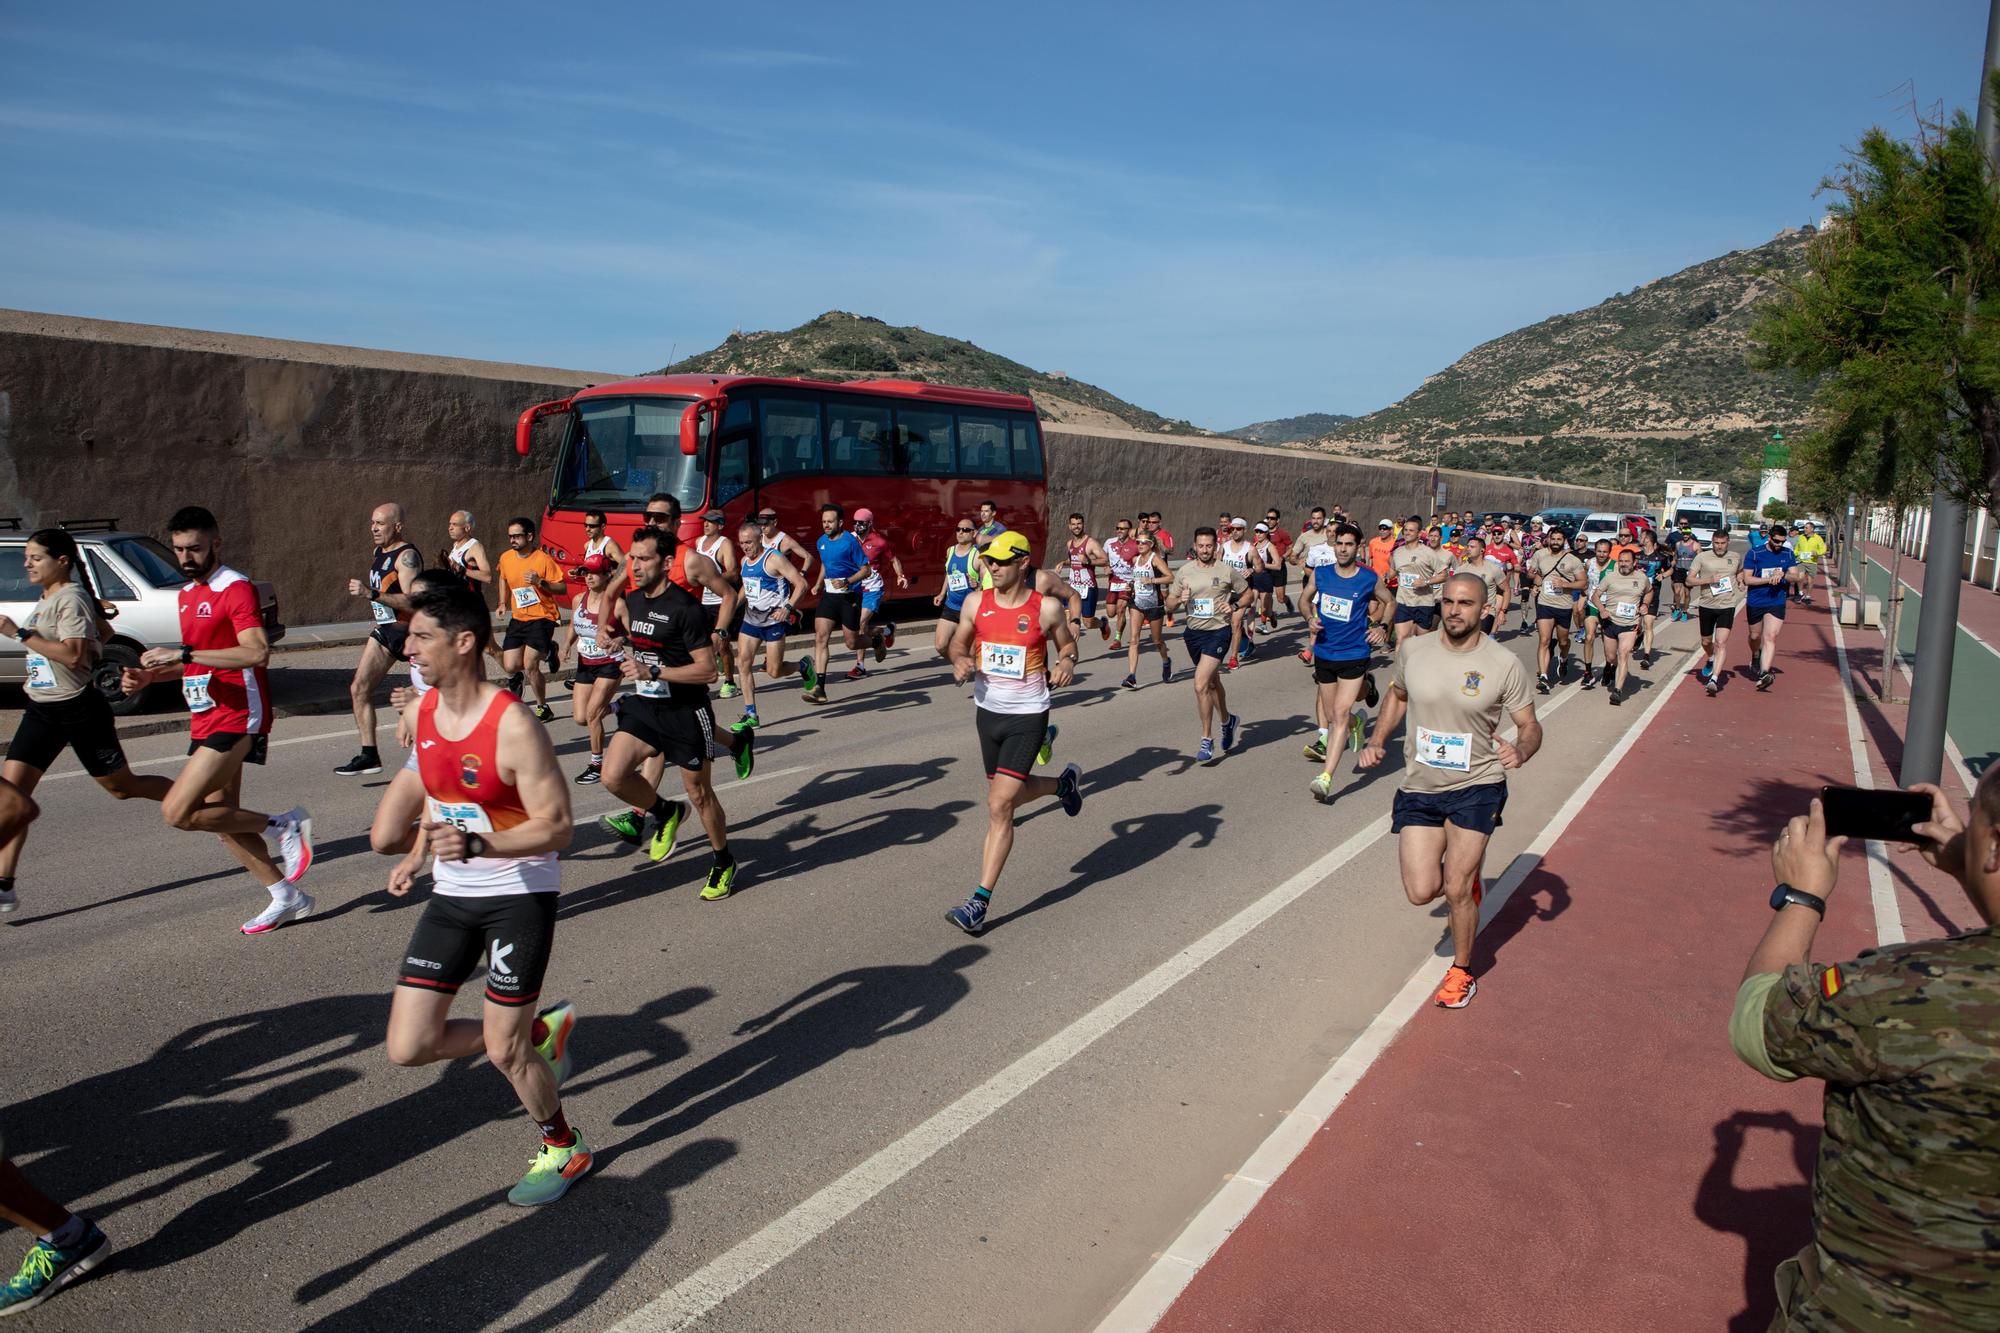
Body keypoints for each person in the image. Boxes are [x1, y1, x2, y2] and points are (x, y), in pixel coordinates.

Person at [1729, 779, 2000, 1329]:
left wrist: (1801, 897)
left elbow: (1757, 1023)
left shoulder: (1913, 987)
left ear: (1993, 844)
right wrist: (1969, 866)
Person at [369, 582, 590, 1207]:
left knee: (503, 1050)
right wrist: (416, 852)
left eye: (420, 637)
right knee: (408, 1046)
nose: (406, 647)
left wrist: (476, 848)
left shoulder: (512, 725)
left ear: (464, 642)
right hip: (452, 894)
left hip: (519, 893)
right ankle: (538, 1037)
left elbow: (559, 827)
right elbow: (442, 798)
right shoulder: (420, 713)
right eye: (407, 636)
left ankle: (563, 1145)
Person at [119, 506, 313, 933]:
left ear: (216, 544)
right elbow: (196, 664)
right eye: (179, 550)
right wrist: (149, 675)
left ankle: (283, 824)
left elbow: (256, 651)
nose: (187, 557)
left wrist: (184, 654)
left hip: (239, 714)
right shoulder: (187, 594)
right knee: (221, 820)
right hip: (206, 715)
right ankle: (286, 896)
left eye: (195, 548)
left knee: (178, 812)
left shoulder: (236, 588)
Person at [1357, 573, 1541, 1009]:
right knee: (1422, 891)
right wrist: (1378, 739)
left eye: (1466, 603)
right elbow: (1398, 696)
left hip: (1477, 783)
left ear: (1484, 609)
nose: (1455, 611)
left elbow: (1530, 725)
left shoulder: (1502, 663)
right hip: (1420, 785)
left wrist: (1522, 751)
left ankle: (1462, 971)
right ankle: (1465, 887)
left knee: (1457, 886)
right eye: (1449, 602)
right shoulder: (1414, 650)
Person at [0, 529, 173, 914]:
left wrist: (21, 633)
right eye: (27, 557)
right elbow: (103, 635)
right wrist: (95, 627)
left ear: (61, 561)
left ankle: (195, 799)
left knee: (123, 787)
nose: (27, 563)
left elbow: (74, 656)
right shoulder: (52, 597)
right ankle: (4, 883)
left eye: (35, 557)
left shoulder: (70, 598)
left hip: (78, 708)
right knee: (13, 798)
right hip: (42, 707)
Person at [596, 526, 752, 899]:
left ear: (667, 563)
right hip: (648, 706)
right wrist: (622, 641)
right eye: (632, 558)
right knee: (612, 776)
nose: (634, 566)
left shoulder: (686, 609)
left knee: (698, 793)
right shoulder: (633, 601)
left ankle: (723, 860)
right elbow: (647, 642)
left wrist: (655, 671)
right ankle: (665, 811)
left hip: (686, 710)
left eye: (644, 559)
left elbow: (708, 671)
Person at [943, 530, 1082, 935]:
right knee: (1011, 794)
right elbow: (957, 645)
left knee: (999, 804)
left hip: (1028, 713)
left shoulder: (1046, 609)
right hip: (988, 713)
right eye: (989, 561)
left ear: (1023, 563)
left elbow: (1067, 645)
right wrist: (960, 661)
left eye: (1001, 561)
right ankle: (1063, 786)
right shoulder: (975, 603)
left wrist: (1067, 663)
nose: (993, 567)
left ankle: (978, 902)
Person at [1304, 524, 1393, 800]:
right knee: (1333, 715)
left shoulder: (1368, 577)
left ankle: (1326, 776)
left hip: (1354, 652)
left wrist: (1381, 626)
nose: (1343, 548)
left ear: (1358, 547)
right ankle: (1356, 723)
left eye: (1349, 544)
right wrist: (1309, 618)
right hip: (1325, 653)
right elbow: (1305, 601)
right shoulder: (1322, 574)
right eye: (1339, 543)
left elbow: (1389, 601)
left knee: (1339, 714)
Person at [337, 503, 423, 776]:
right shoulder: (378, 552)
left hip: (412, 633)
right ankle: (369, 754)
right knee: (359, 688)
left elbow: (412, 601)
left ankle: (434, 754)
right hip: (386, 630)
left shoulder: (407, 556)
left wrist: (371, 594)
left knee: (426, 698)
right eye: (372, 523)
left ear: (397, 526)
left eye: (380, 523)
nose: (374, 528)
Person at [1167, 527, 1252, 763]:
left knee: (1201, 683)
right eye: (1200, 546)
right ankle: (1228, 721)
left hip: (1218, 633)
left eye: (1209, 546)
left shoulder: (1226, 570)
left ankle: (1207, 739)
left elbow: (1247, 594)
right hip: (1193, 634)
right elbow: (1169, 604)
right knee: (1213, 683)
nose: (1205, 550)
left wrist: (1234, 606)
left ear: (1216, 547)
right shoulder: (1184, 571)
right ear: (1194, 546)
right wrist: (1178, 600)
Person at [731, 519, 812, 730]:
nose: (745, 547)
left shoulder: (774, 559)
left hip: (773, 620)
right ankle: (751, 714)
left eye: (749, 542)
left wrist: (788, 607)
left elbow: (801, 584)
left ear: (760, 538)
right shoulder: (744, 562)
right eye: (741, 543)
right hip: (751, 619)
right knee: (743, 663)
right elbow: (747, 589)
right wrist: (731, 607)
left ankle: (802, 666)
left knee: (773, 671)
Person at [560, 555, 624, 785]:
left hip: (610, 663)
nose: (588, 577)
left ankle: (596, 764)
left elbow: (634, 632)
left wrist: (620, 640)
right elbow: (573, 625)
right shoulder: (579, 599)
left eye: (594, 572)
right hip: (585, 662)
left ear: (608, 575)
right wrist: (566, 644)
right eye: (586, 572)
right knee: (580, 717)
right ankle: (621, 705)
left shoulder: (617, 604)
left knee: (592, 714)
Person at [496, 517, 566, 722]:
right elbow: (502, 578)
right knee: (510, 666)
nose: (513, 540)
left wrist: (540, 581)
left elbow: (562, 588)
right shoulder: (506, 558)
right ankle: (549, 650)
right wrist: (502, 603)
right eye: (510, 536)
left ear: (529, 536)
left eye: (517, 536)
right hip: (519, 618)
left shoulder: (542, 559)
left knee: (530, 664)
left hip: (543, 616)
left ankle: (542, 707)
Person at [808, 505, 868, 703]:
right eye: (824, 521)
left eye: (830, 521)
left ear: (840, 523)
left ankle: (876, 640)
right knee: (820, 637)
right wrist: (817, 584)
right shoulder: (821, 542)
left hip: (849, 595)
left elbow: (865, 570)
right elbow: (826, 563)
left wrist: (847, 581)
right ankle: (819, 688)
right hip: (829, 596)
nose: (826, 525)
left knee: (852, 643)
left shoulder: (850, 542)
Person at [1688, 528, 1747, 697]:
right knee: (1706, 641)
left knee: (1721, 642)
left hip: (1727, 606)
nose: (1719, 546)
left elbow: (1739, 571)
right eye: (1716, 543)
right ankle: (1711, 658)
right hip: (1707, 604)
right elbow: (1689, 579)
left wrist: (1741, 581)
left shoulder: (1735, 557)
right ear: (1712, 542)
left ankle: (1714, 678)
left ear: (1728, 542)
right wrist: (1708, 580)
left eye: (1722, 543)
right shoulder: (1702, 557)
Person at [1527, 529, 1586, 692]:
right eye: (1553, 539)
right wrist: (1535, 580)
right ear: (1548, 540)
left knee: (1563, 641)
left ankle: (1564, 657)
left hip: (1564, 605)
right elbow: (1531, 573)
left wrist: (1566, 585)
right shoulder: (1539, 555)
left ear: (1564, 541)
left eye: (1559, 539)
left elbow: (1583, 583)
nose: (1555, 542)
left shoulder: (1572, 560)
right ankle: (1544, 677)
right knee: (1544, 640)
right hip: (1545, 604)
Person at [1590, 546, 1650, 706]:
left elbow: (1649, 592)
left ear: (1634, 562)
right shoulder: (1610, 577)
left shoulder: (1642, 578)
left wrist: (1645, 604)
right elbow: (1595, 595)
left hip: (1630, 624)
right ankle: (1612, 666)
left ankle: (1617, 691)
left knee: (1623, 653)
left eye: (1627, 561)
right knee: (1611, 656)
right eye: (1621, 561)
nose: (1624, 564)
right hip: (1610, 622)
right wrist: (1602, 610)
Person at [852, 508, 909, 675]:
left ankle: (860, 666)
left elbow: (893, 559)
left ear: (869, 524)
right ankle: (887, 631)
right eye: (855, 522)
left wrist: (900, 575)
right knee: (858, 628)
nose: (857, 526)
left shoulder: (879, 541)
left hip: (872, 588)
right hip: (855, 588)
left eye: (861, 523)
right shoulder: (850, 539)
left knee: (860, 624)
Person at [1743, 523, 1798, 692]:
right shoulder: (1754, 553)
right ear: (1769, 537)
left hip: (1776, 601)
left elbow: (1795, 576)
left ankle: (1764, 673)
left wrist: (1783, 575)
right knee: (1754, 636)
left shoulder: (1787, 553)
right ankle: (1755, 654)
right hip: (1756, 601)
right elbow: (1748, 580)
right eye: (1776, 541)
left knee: (1771, 636)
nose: (1779, 545)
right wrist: (1768, 579)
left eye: (1782, 541)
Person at [693, 509, 742, 697]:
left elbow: (733, 572)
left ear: (720, 525)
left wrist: (711, 579)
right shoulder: (698, 542)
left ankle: (730, 683)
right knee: (700, 645)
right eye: (704, 521)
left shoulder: (724, 544)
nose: (705, 524)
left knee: (723, 643)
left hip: (720, 601)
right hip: (701, 602)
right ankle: (703, 681)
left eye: (710, 522)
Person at [1122, 531, 1175, 687]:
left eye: (1144, 542)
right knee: (1134, 639)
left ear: (1151, 544)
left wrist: (1151, 580)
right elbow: (1137, 579)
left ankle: (1166, 661)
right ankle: (1131, 676)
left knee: (1157, 641)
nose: (1140, 545)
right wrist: (1131, 585)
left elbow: (1170, 577)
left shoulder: (1155, 559)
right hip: (1137, 602)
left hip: (1154, 604)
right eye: (1138, 542)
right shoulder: (1136, 559)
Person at [1389, 523, 1450, 646]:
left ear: (1419, 533)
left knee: (1422, 643)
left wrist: (1425, 582)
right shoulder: (1398, 552)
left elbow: (1444, 575)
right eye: (1405, 530)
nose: (1407, 533)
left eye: (1411, 530)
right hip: (1403, 602)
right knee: (1402, 640)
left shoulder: (1428, 553)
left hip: (1424, 603)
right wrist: (1385, 577)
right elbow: (1392, 572)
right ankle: (1402, 665)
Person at [1055, 512, 1109, 643]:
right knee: (1069, 620)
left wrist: (1089, 561)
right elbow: (1073, 559)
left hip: (1088, 587)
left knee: (1088, 623)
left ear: (1083, 524)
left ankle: (1103, 624)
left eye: (1079, 524)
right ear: (1069, 526)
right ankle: (1068, 653)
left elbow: (1105, 560)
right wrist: (1063, 562)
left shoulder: (1090, 543)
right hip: (1073, 587)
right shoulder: (1069, 543)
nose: (1076, 526)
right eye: (1073, 524)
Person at [1217, 518, 1263, 669]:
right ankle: (1246, 642)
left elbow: (1259, 568)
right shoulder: (1224, 547)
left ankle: (1233, 658)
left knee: (1235, 624)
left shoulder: (1250, 549)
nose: (1234, 532)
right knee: (1227, 623)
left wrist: (1251, 570)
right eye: (1232, 529)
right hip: (1225, 591)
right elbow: (1216, 567)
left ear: (1244, 530)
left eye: (1238, 529)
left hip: (1241, 593)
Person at [934, 518, 981, 658]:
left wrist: (978, 585)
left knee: (972, 653)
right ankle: (960, 665)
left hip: (970, 610)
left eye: (966, 530)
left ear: (974, 533)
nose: (960, 532)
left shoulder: (978, 556)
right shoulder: (950, 551)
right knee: (940, 646)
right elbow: (949, 574)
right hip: (951, 605)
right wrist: (942, 593)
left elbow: (988, 583)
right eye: (958, 529)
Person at [1455, 534, 1508, 636]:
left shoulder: (1493, 569)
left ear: (1482, 550)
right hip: (1466, 612)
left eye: (1472, 547)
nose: (1468, 549)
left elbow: (1506, 590)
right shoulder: (1461, 570)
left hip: (1486, 613)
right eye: (1468, 546)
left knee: (1478, 640)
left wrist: (1502, 611)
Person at [1103, 517, 1139, 649]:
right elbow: (1102, 557)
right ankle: (1104, 624)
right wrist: (1106, 566)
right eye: (1117, 528)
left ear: (1129, 530)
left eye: (1122, 528)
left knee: (1121, 609)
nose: (1119, 530)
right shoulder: (1109, 543)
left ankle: (1117, 639)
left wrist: (1136, 581)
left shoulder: (1136, 545)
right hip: (1113, 582)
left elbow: (1141, 562)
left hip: (1127, 583)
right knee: (1111, 613)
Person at [442, 510, 495, 591]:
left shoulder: (475, 547)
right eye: (450, 524)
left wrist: (462, 570)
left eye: (455, 524)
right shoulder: (455, 544)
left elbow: (487, 577)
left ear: (467, 528)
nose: (450, 528)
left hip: (470, 600)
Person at [1792, 521, 1827, 606]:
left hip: (1812, 562)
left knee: (1810, 581)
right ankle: (1800, 593)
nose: (1804, 529)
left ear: (1812, 529)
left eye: (1806, 528)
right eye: (1804, 527)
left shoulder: (1818, 538)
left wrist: (1817, 553)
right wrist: (1794, 554)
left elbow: (1823, 549)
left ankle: (1807, 596)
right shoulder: (1801, 537)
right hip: (1801, 561)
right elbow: (1797, 548)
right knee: (1800, 577)